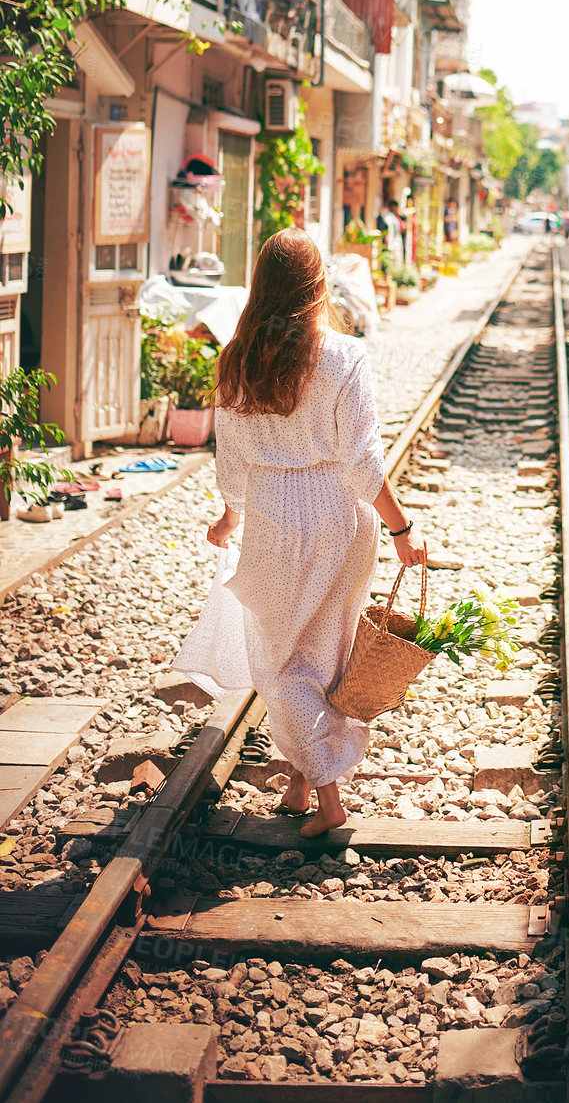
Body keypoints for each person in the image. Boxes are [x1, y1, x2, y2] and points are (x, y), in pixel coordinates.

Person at [171, 229, 426, 838]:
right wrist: (402, 529)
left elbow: (231, 464)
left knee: (281, 668)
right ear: (318, 287)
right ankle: (302, 781)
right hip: (342, 522)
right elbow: (363, 464)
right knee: (326, 657)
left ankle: (330, 799)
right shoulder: (344, 356)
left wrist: (231, 516)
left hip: (276, 523)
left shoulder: (234, 359)